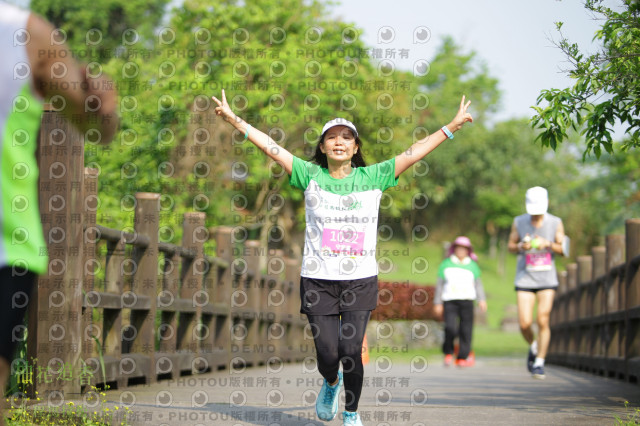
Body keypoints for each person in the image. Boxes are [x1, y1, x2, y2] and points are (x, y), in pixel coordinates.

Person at [212, 89, 473, 425]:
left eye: (346, 138)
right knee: (327, 354)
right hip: (318, 278)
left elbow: (415, 152)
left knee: (351, 351)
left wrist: (452, 126)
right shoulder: (309, 175)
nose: (339, 142)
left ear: (355, 147)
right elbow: (270, 147)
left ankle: (351, 413)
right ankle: (330, 382)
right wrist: (235, 120)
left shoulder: (374, 177)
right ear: (322, 147)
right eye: (331, 138)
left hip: (359, 278)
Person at [0, 2, 118, 422]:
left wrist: (98, 107)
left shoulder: (28, 34)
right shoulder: (30, 33)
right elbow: (97, 123)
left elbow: (92, 121)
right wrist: (103, 102)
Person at [507, 186, 565, 380]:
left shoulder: (556, 222)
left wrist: (547, 244)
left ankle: (539, 362)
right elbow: (510, 246)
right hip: (525, 276)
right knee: (524, 323)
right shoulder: (519, 221)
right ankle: (534, 345)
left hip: (547, 278)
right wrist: (520, 246)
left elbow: (564, 249)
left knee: (542, 319)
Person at [433, 236, 487, 367]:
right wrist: (437, 303)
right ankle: (448, 352)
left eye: (464, 249)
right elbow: (439, 285)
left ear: (468, 250)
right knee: (450, 327)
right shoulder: (446, 264)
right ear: (454, 249)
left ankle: (463, 356)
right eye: (459, 248)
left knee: (466, 329)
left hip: (467, 300)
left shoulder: (472, 265)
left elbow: (478, 284)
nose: (461, 251)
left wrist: (482, 300)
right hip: (450, 300)